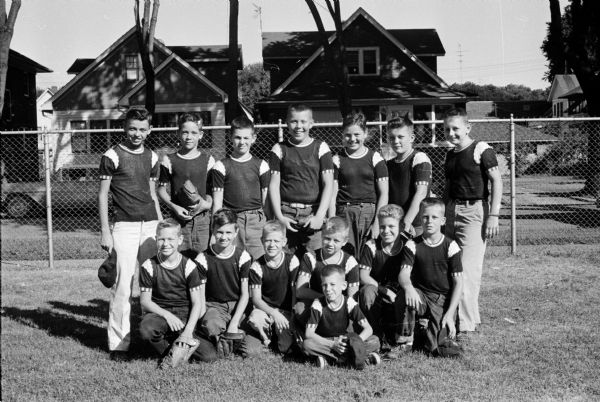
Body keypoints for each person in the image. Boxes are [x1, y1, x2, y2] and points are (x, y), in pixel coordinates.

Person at [98, 107, 162, 360]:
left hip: (150, 226)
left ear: (150, 130)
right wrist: (105, 231)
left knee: (153, 283)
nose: (137, 134)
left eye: (142, 129)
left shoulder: (153, 157)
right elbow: (103, 194)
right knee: (123, 287)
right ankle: (119, 344)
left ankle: (154, 337)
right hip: (124, 226)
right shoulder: (111, 155)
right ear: (125, 128)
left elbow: (153, 194)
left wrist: (160, 226)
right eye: (132, 128)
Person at [443, 107, 502, 335]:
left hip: (474, 212)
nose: (451, 133)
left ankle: (465, 326)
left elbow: (497, 182)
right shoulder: (450, 154)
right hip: (451, 211)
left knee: (467, 271)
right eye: (447, 129)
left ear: (468, 128)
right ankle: (466, 319)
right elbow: (448, 187)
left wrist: (493, 216)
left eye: (456, 128)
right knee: (452, 267)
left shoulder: (482, 150)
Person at [138, 219, 212, 366]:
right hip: (160, 315)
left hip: (184, 315)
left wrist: (188, 331)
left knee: (209, 356)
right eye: (161, 239)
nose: (166, 244)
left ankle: (178, 345)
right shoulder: (149, 266)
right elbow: (145, 302)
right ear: (156, 239)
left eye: (170, 239)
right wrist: (167, 315)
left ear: (180, 240)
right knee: (146, 329)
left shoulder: (189, 266)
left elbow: (197, 303)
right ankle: (173, 351)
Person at [398, 197, 464, 357]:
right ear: (420, 218)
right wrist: (408, 288)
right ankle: (405, 342)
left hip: (441, 299)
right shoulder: (412, 245)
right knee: (405, 296)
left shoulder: (451, 246)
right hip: (420, 294)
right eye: (425, 217)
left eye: (434, 217)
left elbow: (459, 283)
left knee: (436, 349)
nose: (429, 221)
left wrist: (449, 314)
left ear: (443, 220)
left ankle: (430, 331)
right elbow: (404, 274)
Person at [269, 104, 334, 257]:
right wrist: (279, 217)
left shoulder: (321, 148)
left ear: (311, 123)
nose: (299, 126)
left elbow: (328, 184)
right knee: (285, 261)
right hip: (286, 214)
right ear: (287, 123)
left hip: (312, 213)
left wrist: (319, 216)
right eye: (294, 121)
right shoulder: (278, 149)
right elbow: (274, 184)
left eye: (303, 122)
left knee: (314, 260)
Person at [193, 209, 252, 359]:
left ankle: (233, 334)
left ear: (236, 231)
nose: (224, 237)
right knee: (211, 323)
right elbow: (200, 296)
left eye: (228, 232)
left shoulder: (243, 257)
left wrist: (234, 322)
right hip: (214, 306)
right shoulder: (203, 258)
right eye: (219, 232)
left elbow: (245, 295)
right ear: (212, 230)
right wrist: (201, 320)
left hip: (237, 304)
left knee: (251, 351)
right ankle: (221, 338)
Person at [331, 112, 388, 258]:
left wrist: (377, 222)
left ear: (365, 133)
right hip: (345, 212)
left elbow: (384, 193)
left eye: (357, 134)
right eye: (348, 135)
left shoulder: (375, 158)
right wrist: (332, 220)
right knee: (346, 255)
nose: (352, 139)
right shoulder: (337, 159)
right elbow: (332, 194)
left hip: (369, 212)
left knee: (367, 256)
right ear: (342, 135)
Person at [357, 204, 412, 356]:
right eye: (382, 226)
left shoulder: (409, 245)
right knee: (367, 291)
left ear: (401, 226)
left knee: (409, 293)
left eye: (391, 226)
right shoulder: (372, 246)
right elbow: (363, 276)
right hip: (379, 292)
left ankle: (403, 339)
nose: (386, 231)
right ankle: (375, 335)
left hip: (400, 293)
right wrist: (384, 290)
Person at [212, 116, 270, 259]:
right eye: (238, 138)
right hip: (232, 219)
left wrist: (268, 224)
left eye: (246, 138)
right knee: (235, 260)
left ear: (253, 138)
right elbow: (217, 203)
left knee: (260, 260)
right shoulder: (221, 166)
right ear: (231, 138)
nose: (242, 142)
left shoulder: (261, 165)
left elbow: (266, 200)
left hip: (256, 220)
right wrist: (215, 230)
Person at [303, 264, 381, 369]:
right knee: (307, 345)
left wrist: (355, 343)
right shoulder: (318, 304)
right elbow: (309, 333)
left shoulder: (349, 302)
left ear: (343, 286)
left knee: (374, 341)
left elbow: (368, 329)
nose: (328, 289)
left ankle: (330, 360)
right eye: (324, 285)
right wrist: (332, 344)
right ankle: (361, 357)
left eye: (332, 284)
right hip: (327, 341)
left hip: (346, 341)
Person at [158, 113, 213, 253]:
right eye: (185, 132)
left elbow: (212, 193)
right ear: (178, 133)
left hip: (202, 221)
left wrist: (204, 205)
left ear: (200, 134)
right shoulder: (169, 160)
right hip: (179, 220)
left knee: (202, 262)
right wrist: (174, 206)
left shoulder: (209, 160)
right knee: (179, 262)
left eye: (194, 133)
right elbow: (161, 190)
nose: (189, 137)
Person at [295, 217, 359, 328]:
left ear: (344, 241)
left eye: (336, 240)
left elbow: (352, 298)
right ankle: (306, 334)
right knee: (300, 308)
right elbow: (300, 291)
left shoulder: (350, 262)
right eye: (327, 238)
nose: (330, 244)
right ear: (321, 236)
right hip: (317, 301)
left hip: (340, 307)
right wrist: (325, 298)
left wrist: (336, 303)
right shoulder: (311, 257)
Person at [247, 220, 300, 354]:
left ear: (284, 242)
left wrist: (292, 317)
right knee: (255, 318)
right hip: (266, 310)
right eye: (268, 240)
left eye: (276, 241)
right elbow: (256, 300)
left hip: (286, 311)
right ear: (262, 240)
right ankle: (266, 334)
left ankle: (280, 335)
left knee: (285, 348)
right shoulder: (256, 266)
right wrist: (273, 313)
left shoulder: (292, 261)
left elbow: (295, 292)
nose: (272, 245)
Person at [386, 114, 432, 236]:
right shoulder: (388, 164)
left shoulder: (419, 158)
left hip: (416, 225)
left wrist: (407, 221)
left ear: (411, 137)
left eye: (400, 137)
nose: (396, 141)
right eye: (392, 138)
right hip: (395, 224)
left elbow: (421, 193)